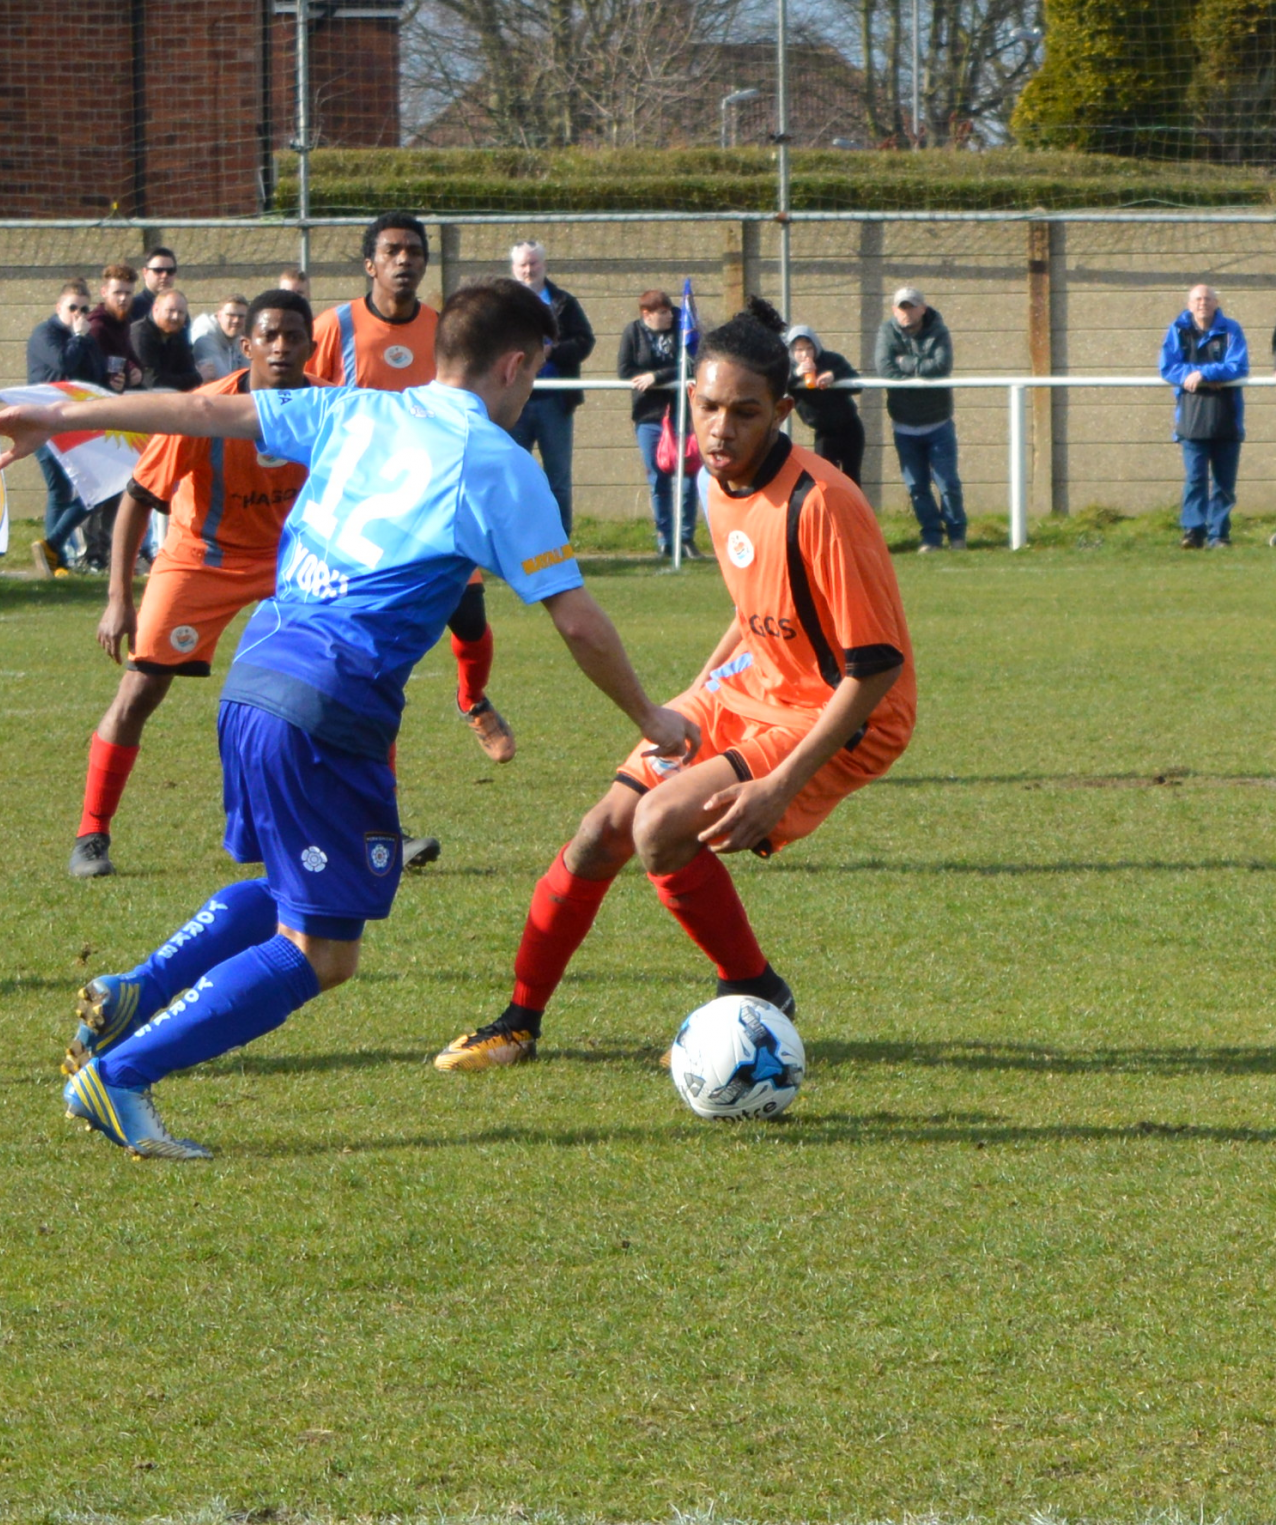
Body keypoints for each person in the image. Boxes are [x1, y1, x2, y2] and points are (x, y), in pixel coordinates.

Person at [0, 279, 691, 1159]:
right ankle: (120, 1078)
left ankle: (134, 991)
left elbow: (200, 410)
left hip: (257, 673)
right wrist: (651, 714)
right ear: (515, 364)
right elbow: (576, 619)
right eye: (533, 377)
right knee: (324, 951)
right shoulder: (496, 463)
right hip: (328, 702)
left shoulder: (353, 410)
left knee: (295, 892)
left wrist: (63, 415)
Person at [435, 298, 914, 1074]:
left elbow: (876, 665)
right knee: (600, 833)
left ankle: (753, 990)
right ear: (690, 398)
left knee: (660, 826)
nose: (722, 428)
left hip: (844, 711)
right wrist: (695, 698)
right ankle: (518, 1022)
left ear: (782, 411)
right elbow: (756, 604)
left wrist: (781, 785)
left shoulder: (820, 504)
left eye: (745, 412)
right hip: (752, 686)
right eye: (710, 406)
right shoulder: (719, 478)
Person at [69, 289, 317, 882]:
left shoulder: (327, 408)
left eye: (294, 337)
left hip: (291, 564)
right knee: (140, 693)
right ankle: (90, 833)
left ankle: (376, 825)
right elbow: (135, 501)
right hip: (199, 560)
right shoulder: (203, 411)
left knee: (344, 687)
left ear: (311, 345)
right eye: (270, 336)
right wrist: (118, 600)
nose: (282, 347)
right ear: (246, 343)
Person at [309, 211, 513, 769]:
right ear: (370, 263)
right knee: (378, 657)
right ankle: (382, 809)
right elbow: (307, 400)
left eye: (415, 252)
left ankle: (472, 699)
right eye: (393, 251)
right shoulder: (336, 327)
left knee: (469, 619)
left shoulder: (445, 330)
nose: (404, 260)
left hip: (438, 498)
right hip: (366, 511)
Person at [505, 241, 593, 537]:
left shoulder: (564, 303)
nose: (529, 270)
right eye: (523, 265)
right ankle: (516, 541)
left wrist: (552, 352)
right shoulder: (503, 303)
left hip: (555, 402)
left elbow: (584, 342)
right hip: (514, 402)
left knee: (558, 478)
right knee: (513, 476)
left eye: (534, 263)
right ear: (514, 269)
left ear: (544, 265)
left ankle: (560, 543)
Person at [24, 278, 109, 574]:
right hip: (45, 422)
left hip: (75, 423)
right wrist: (78, 337)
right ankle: (54, 558)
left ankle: (51, 547)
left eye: (85, 308)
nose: (79, 314)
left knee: (96, 487)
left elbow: (96, 374)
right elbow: (64, 364)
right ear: (59, 307)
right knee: (60, 490)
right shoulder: (45, 334)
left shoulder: (85, 337)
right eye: (73, 307)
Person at [1160, 282, 1248, 550]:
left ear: (1216, 303)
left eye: (1208, 299)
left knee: (1223, 482)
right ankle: (1192, 532)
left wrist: (1205, 374)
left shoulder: (1231, 330)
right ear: (1189, 304)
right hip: (1191, 416)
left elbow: (1238, 366)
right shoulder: (1178, 330)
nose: (1203, 303)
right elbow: (1168, 367)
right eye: (1197, 299)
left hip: (1226, 417)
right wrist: (1195, 375)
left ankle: (1219, 535)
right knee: (1195, 478)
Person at [877, 287, 965, 552]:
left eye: (911, 306)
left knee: (947, 483)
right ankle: (931, 537)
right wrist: (918, 371)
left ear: (922, 309)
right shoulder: (886, 332)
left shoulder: (939, 330)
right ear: (894, 310)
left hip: (938, 422)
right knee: (916, 487)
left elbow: (941, 367)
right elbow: (884, 368)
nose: (906, 312)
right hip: (904, 425)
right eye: (901, 307)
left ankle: (957, 535)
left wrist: (905, 363)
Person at [618, 288, 698, 558]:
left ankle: (686, 537)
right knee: (657, 477)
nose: (668, 317)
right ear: (647, 315)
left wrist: (657, 376)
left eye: (668, 311)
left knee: (688, 474)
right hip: (649, 415)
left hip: (682, 413)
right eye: (661, 313)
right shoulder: (633, 332)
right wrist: (648, 377)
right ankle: (665, 538)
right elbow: (625, 370)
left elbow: (690, 364)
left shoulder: (681, 329)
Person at [786, 324, 864, 484]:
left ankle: (852, 509)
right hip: (823, 432)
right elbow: (775, 387)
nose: (805, 354)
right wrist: (796, 374)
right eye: (799, 350)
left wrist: (834, 376)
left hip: (849, 425)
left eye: (809, 348)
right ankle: (830, 510)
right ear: (792, 352)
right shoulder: (787, 368)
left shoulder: (831, 360)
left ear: (816, 346)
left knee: (852, 478)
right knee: (825, 479)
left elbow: (857, 384)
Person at [127, 288, 201, 392]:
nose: (175, 317)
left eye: (181, 313)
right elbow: (152, 382)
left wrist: (194, 378)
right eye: (170, 311)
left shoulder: (177, 335)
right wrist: (194, 378)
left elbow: (191, 372)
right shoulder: (140, 333)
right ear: (155, 309)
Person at [87, 263, 142, 390]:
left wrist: (136, 370)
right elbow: (94, 372)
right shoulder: (97, 326)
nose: (123, 298)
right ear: (104, 292)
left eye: (128, 293)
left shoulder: (123, 321)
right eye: (117, 293)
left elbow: (129, 356)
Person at [191, 295, 249, 379]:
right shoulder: (205, 336)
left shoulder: (240, 334)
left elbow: (249, 373)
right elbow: (221, 377)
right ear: (219, 316)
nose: (236, 320)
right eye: (231, 315)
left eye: (241, 316)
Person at [128, 246, 177, 323]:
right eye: (158, 270)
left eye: (170, 271)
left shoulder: (178, 307)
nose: (164, 275)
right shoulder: (132, 308)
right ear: (145, 272)